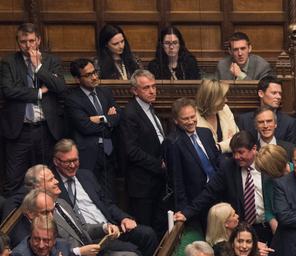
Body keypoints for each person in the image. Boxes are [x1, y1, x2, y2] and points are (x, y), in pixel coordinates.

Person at [1, 23, 67, 195]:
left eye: (31, 41)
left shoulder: (51, 61)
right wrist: (39, 92)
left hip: (46, 129)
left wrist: (38, 67)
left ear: (38, 40)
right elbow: (8, 91)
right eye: (23, 42)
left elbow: (59, 87)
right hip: (19, 131)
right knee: (13, 181)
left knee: (47, 179)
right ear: (18, 42)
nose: (28, 46)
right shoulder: (9, 62)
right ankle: (13, 221)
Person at [175, 131, 276, 243]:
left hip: (267, 228)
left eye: (241, 152)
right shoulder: (228, 168)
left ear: (254, 148)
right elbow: (209, 192)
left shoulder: (268, 163)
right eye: (234, 153)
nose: (237, 157)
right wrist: (187, 213)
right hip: (241, 231)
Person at [119, 69, 168, 232]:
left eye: (153, 86)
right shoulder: (130, 113)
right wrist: (158, 165)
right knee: (146, 230)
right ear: (134, 90)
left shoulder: (150, 109)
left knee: (160, 227)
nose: (152, 91)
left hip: (156, 181)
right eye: (146, 87)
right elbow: (131, 151)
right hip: (142, 185)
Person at [65, 58, 120, 196]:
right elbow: (85, 127)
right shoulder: (72, 98)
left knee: (110, 197)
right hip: (89, 155)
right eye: (88, 75)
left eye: (95, 72)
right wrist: (108, 120)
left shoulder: (105, 92)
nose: (94, 77)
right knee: (92, 196)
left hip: (109, 153)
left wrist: (100, 119)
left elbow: (117, 117)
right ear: (78, 79)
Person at [165, 98, 221, 212]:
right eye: (185, 119)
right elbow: (177, 180)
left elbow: (216, 161)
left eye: (192, 117)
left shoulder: (206, 133)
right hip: (196, 201)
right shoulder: (172, 142)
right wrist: (184, 211)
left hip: (217, 192)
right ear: (176, 120)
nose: (191, 121)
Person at [237, 76, 296, 142]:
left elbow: (290, 149)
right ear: (261, 94)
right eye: (274, 93)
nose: (278, 97)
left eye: (280, 93)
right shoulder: (244, 120)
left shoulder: (288, 122)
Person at [196, 79, 239, 153]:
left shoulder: (225, 109)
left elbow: (237, 140)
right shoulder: (194, 117)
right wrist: (227, 143)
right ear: (213, 99)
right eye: (223, 98)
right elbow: (203, 149)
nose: (226, 100)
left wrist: (218, 147)